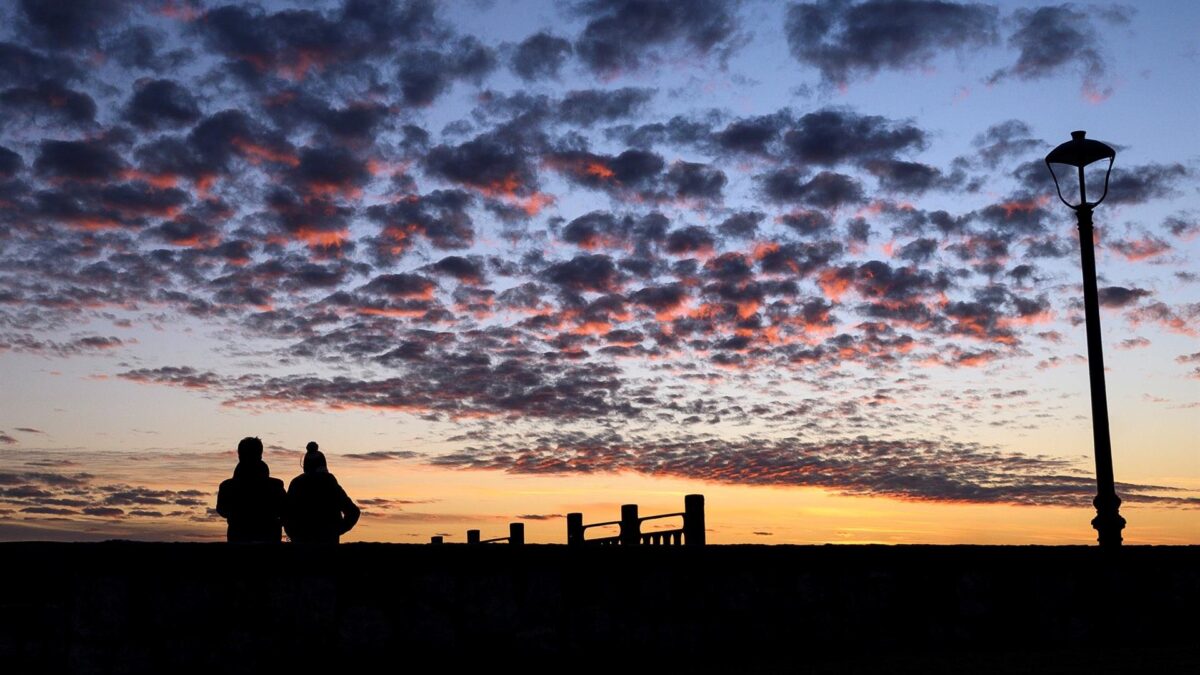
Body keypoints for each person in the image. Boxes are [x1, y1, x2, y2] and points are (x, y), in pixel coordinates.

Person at [285, 441, 360, 544]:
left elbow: (286, 514)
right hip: (327, 547)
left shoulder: (296, 484)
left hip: (302, 547)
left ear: (305, 465)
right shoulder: (329, 482)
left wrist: (294, 533)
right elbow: (353, 512)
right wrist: (336, 531)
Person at [216, 436, 286, 543]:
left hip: (238, 539)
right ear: (260, 455)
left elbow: (222, 510)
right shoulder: (276, 486)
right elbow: (285, 511)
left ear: (239, 455)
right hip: (269, 540)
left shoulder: (227, 487)